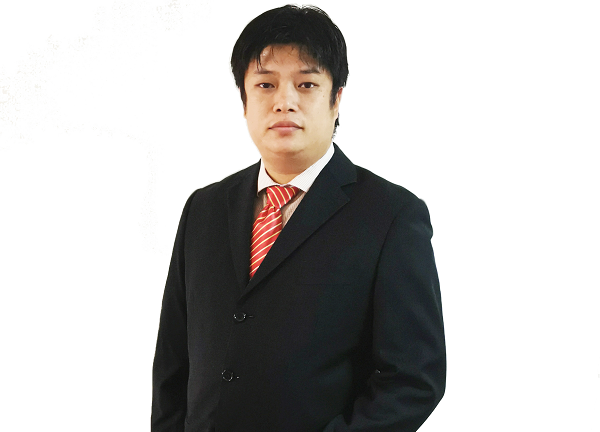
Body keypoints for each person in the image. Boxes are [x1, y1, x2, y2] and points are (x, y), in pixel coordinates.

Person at [151, 5, 445, 432]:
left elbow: (414, 379)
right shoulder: (204, 208)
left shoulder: (391, 216)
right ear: (244, 100)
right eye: (265, 84)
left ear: (336, 98)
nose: (284, 102)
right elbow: (173, 364)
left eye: (306, 84)